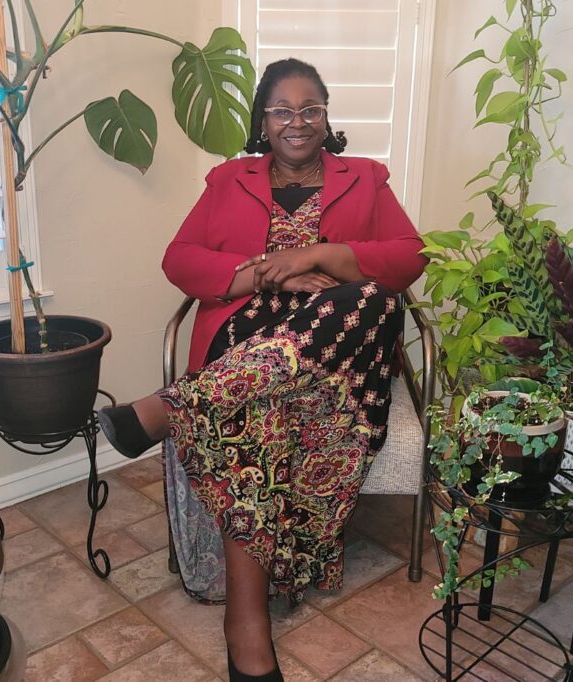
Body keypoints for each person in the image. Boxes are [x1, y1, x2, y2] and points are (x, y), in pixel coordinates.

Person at [99, 58, 426, 682]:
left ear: (326, 117)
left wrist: (320, 256)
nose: (297, 123)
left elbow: (410, 257)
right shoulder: (228, 180)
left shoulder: (367, 177)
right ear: (263, 120)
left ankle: (175, 407)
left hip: (340, 348)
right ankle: (246, 621)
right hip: (249, 334)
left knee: (374, 296)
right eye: (282, 111)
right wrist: (261, 273)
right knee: (261, 404)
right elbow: (179, 258)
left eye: (310, 110)